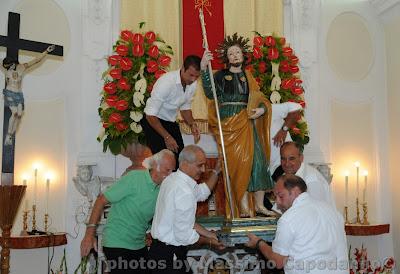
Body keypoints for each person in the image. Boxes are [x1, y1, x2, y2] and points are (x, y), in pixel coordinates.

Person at [200, 33, 273, 217]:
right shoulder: (220, 76)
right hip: (229, 124)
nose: (234, 55)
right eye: (231, 53)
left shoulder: (249, 77)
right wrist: (203, 69)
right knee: (238, 166)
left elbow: (260, 98)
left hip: (248, 123)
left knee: (257, 162)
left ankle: (258, 205)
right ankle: (243, 207)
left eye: (237, 52)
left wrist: (263, 110)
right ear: (226, 57)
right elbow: (210, 93)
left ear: (243, 55)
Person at [80, 149, 176, 274]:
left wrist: (148, 232)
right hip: (117, 243)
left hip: (138, 245)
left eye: (172, 171)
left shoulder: (162, 190)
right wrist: (89, 235)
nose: (170, 175)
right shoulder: (134, 178)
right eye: (167, 170)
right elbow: (100, 200)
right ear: (155, 167)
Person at [246, 174, 348, 274]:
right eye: (275, 196)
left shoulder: (288, 218)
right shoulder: (333, 211)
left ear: (295, 192)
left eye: (281, 196)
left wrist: (258, 243)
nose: (277, 202)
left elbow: (278, 261)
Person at [149, 145, 224, 274]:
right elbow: (184, 235)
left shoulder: (172, 179)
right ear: (184, 164)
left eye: (204, 165)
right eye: (199, 165)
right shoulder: (184, 191)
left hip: (159, 252)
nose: (203, 169)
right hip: (169, 257)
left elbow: (202, 193)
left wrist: (216, 171)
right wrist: (210, 241)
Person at [142, 55, 202, 165]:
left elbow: (185, 108)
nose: (193, 79)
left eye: (196, 76)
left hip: (170, 122)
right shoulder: (166, 82)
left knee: (179, 159)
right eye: (191, 75)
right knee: (162, 163)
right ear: (183, 68)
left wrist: (192, 124)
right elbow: (150, 115)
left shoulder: (192, 84)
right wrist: (167, 137)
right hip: (153, 122)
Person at [2, 44, 55, 145]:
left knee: (19, 114)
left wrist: (46, 51)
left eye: (10, 66)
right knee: (14, 112)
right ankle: (8, 135)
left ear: (13, 63)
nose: (10, 68)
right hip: (9, 92)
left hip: (18, 94)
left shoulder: (22, 67)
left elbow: (36, 61)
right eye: (7, 67)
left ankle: (11, 135)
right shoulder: (6, 69)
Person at [277, 141, 336, 208]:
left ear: (301, 158)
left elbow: (315, 210)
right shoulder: (286, 176)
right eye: (283, 159)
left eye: (291, 158)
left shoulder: (312, 179)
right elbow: (280, 206)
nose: (287, 164)